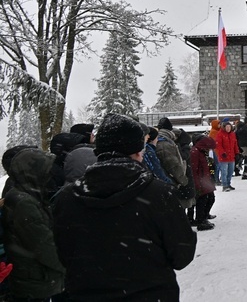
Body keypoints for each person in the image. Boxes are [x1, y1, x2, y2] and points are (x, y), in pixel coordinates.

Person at [53, 113, 196, 300]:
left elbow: (62, 255)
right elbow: (182, 254)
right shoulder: (158, 194)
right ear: (138, 151)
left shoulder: (66, 198)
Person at [2, 148, 65, 301]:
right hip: (33, 281)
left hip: (30, 277)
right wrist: (67, 266)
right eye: (46, 171)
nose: (50, 175)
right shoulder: (24, 203)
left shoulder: (25, 194)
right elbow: (43, 245)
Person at [190, 134, 218, 231]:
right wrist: (197, 184)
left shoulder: (202, 152)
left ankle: (203, 218)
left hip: (205, 180)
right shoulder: (195, 152)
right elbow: (194, 170)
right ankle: (201, 220)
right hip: (200, 181)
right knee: (203, 201)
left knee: (210, 198)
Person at [215, 119, 240, 191]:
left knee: (230, 171)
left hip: (231, 156)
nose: (228, 128)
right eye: (227, 127)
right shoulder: (220, 134)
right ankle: (225, 185)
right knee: (224, 171)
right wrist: (222, 153)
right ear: (224, 127)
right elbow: (218, 145)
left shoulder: (233, 134)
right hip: (224, 156)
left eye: (229, 127)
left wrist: (237, 152)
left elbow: (235, 144)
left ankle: (228, 183)